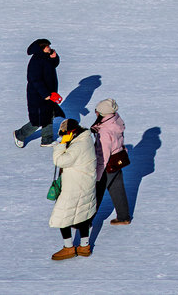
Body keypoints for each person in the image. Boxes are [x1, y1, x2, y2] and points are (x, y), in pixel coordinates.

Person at [48, 118, 98, 259]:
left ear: (71, 133)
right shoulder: (85, 139)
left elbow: (60, 161)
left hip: (75, 186)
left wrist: (60, 146)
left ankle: (68, 248)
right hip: (85, 183)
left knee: (63, 215)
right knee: (83, 213)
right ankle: (84, 246)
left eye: (64, 134)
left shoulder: (77, 146)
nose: (62, 136)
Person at [91, 98, 133, 226]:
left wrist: (97, 174)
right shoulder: (116, 120)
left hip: (107, 164)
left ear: (103, 113)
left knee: (96, 193)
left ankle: (86, 222)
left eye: (97, 111)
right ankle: (123, 217)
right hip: (117, 160)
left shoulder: (105, 131)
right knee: (117, 189)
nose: (95, 113)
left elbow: (103, 154)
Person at [15, 39, 64, 146]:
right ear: (42, 48)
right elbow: (35, 80)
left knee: (49, 115)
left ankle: (47, 140)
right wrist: (45, 94)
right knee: (38, 119)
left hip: (49, 93)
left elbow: (53, 65)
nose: (49, 48)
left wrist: (54, 57)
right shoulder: (36, 61)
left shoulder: (45, 57)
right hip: (38, 95)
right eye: (47, 46)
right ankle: (19, 134)